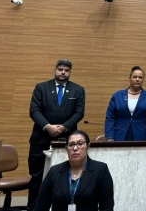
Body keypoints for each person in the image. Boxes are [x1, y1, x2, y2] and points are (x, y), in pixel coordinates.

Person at [28, 59, 85, 210]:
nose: (63, 72)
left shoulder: (78, 90)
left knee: (65, 178)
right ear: (54, 70)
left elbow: (79, 112)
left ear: (70, 73)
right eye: (60, 69)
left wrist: (64, 127)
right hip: (40, 140)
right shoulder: (41, 88)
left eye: (66, 70)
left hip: (67, 141)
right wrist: (48, 127)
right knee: (37, 178)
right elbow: (34, 110)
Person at [34, 130, 114, 211]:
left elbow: (107, 208)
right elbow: (40, 207)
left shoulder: (100, 169)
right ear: (66, 149)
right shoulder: (55, 171)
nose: (75, 148)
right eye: (71, 145)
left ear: (88, 146)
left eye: (80, 144)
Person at [104, 66, 146, 141]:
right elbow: (110, 117)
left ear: (143, 80)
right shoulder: (117, 95)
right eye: (135, 77)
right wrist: (109, 136)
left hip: (141, 135)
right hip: (119, 134)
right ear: (130, 78)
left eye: (140, 77)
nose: (137, 79)